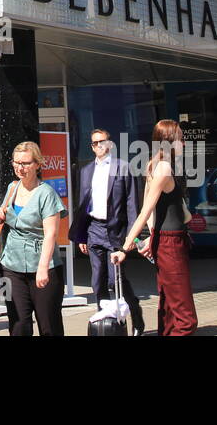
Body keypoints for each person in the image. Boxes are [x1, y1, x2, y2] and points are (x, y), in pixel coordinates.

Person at [113, 119, 197, 336]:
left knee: (169, 304)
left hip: (167, 238)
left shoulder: (155, 165)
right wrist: (126, 247)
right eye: (180, 139)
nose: (184, 144)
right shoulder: (163, 168)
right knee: (184, 313)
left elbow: (151, 211)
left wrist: (150, 236)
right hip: (171, 241)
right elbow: (146, 210)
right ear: (168, 141)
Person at [71, 128, 145, 336]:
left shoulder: (123, 167)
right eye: (94, 143)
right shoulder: (85, 171)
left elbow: (132, 205)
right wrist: (82, 235)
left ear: (110, 143)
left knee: (116, 280)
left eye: (102, 141)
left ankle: (135, 316)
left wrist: (131, 237)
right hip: (94, 228)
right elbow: (82, 205)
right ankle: (103, 324)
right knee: (97, 281)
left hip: (115, 232)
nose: (98, 146)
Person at [0, 140, 67, 336]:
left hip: (42, 265)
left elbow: (51, 233)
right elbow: (7, 213)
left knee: (48, 324)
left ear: (38, 164)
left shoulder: (46, 194)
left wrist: (43, 268)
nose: (20, 167)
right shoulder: (12, 188)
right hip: (11, 265)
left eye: (25, 163)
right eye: (16, 162)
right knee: (18, 324)